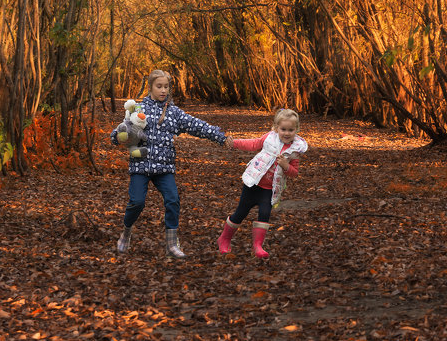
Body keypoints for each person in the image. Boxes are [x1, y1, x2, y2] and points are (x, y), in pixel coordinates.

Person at [111, 69, 228, 258]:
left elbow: (197, 126)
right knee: (137, 202)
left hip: (164, 168)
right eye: (159, 86)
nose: (163, 90)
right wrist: (117, 136)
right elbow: (122, 129)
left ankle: (172, 244)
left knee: (173, 200)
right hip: (140, 165)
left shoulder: (174, 113)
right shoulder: (138, 109)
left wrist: (220, 137)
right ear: (150, 88)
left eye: (166, 86)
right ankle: (126, 233)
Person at [218, 108, 309, 258]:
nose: (287, 133)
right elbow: (253, 144)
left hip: (270, 189)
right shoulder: (269, 138)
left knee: (265, 213)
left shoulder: (295, 150)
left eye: (291, 130)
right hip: (253, 183)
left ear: (297, 130)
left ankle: (258, 246)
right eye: (283, 129)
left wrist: (286, 165)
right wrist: (234, 143)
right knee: (241, 212)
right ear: (276, 128)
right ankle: (224, 239)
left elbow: (294, 172)